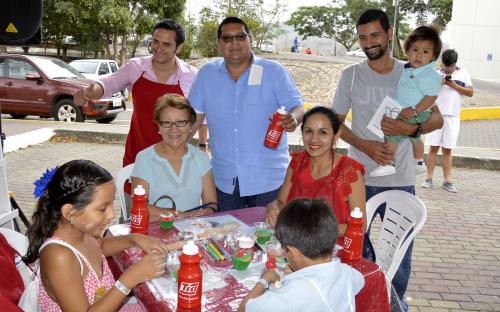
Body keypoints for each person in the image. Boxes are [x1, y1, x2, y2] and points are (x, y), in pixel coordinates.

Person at [332, 8, 444, 308]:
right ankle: (359, 302)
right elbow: (336, 123)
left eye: (375, 35)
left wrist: (409, 128)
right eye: (362, 37)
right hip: (359, 179)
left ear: (390, 33)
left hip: (401, 178)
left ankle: (394, 303)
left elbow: (437, 120)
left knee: (399, 254)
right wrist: (363, 145)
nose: (369, 42)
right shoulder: (351, 75)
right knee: (355, 250)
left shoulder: (411, 71)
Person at [23, 160, 183, 311]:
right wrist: (130, 279)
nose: (111, 214)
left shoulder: (82, 232)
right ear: (70, 212)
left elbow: (101, 247)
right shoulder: (58, 256)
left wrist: (135, 239)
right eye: (102, 208)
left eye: (111, 205)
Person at [189, 16, 304, 212]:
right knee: (226, 239)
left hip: (270, 179)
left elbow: (297, 107)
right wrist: (172, 146)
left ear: (250, 39)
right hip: (225, 180)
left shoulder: (274, 72)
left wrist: (293, 118)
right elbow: (194, 118)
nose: (235, 43)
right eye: (227, 38)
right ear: (219, 44)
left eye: (240, 36)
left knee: (270, 240)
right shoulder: (207, 74)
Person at [74, 19, 198, 167]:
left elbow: (200, 117)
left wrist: (191, 143)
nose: (158, 48)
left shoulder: (191, 76)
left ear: (179, 47)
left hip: (175, 160)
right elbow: (110, 83)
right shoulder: (136, 67)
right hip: (137, 156)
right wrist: (91, 91)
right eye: (155, 41)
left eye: (166, 44)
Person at [238, 198, 364, 312]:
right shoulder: (347, 273)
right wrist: (299, 274)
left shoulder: (292, 295)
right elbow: (360, 281)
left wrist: (264, 280)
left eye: (284, 250)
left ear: (293, 253)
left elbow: (245, 309)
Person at [266, 106, 366, 242]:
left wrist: (312, 227)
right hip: (296, 245)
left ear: (336, 135)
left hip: (333, 251)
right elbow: (281, 202)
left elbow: (360, 227)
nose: (314, 139)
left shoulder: (349, 171)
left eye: (323, 133)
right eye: (308, 131)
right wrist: (273, 206)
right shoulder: (297, 162)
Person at [370, 25, 442, 177]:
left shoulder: (428, 75)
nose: (419, 55)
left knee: (391, 134)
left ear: (433, 56)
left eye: (425, 52)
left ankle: (389, 163)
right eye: (415, 50)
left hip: (412, 111)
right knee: (415, 137)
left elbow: (431, 97)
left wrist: (415, 110)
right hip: (412, 111)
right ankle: (418, 162)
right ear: (407, 51)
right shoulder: (410, 69)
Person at [131, 94, 217, 220]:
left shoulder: (201, 157)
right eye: (167, 123)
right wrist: (181, 215)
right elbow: (138, 206)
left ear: (190, 126)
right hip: (155, 231)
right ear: (159, 127)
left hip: (191, 230)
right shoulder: (144, 158)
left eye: (181, 122)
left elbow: (211, 203)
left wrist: (207, 212)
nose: (174, 129)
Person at [421, 49, 473, 192]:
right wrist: (439, 84)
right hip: (435, 116)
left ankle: (447, 181)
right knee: (433, 148)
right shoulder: (436, 74)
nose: (447, 69)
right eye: (445, 66)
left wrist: (454, 85)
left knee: (448, 150)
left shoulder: (464, 73)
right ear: (442, 63)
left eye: (450, 66)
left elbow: (470, 92)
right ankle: (428, 178)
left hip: (453, 117)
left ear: (455, 64)